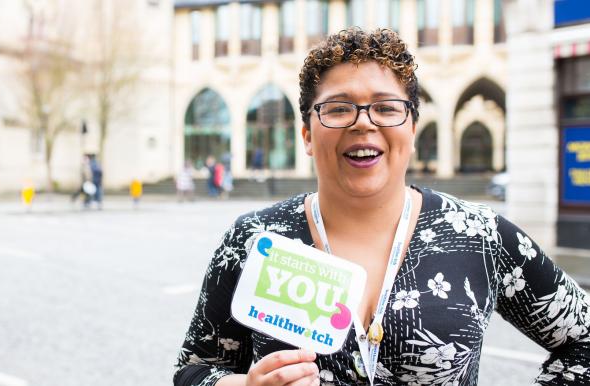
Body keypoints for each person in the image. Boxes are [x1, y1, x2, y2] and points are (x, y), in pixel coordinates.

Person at [174, 28, 590, 386]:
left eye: (386, 108)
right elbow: (194, 369)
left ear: (411, 127)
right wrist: (245, 384)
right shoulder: (254, 239)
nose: (363, 122)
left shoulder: (480, 234)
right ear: (305, 134)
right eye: (338, 108)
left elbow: (584, 340)